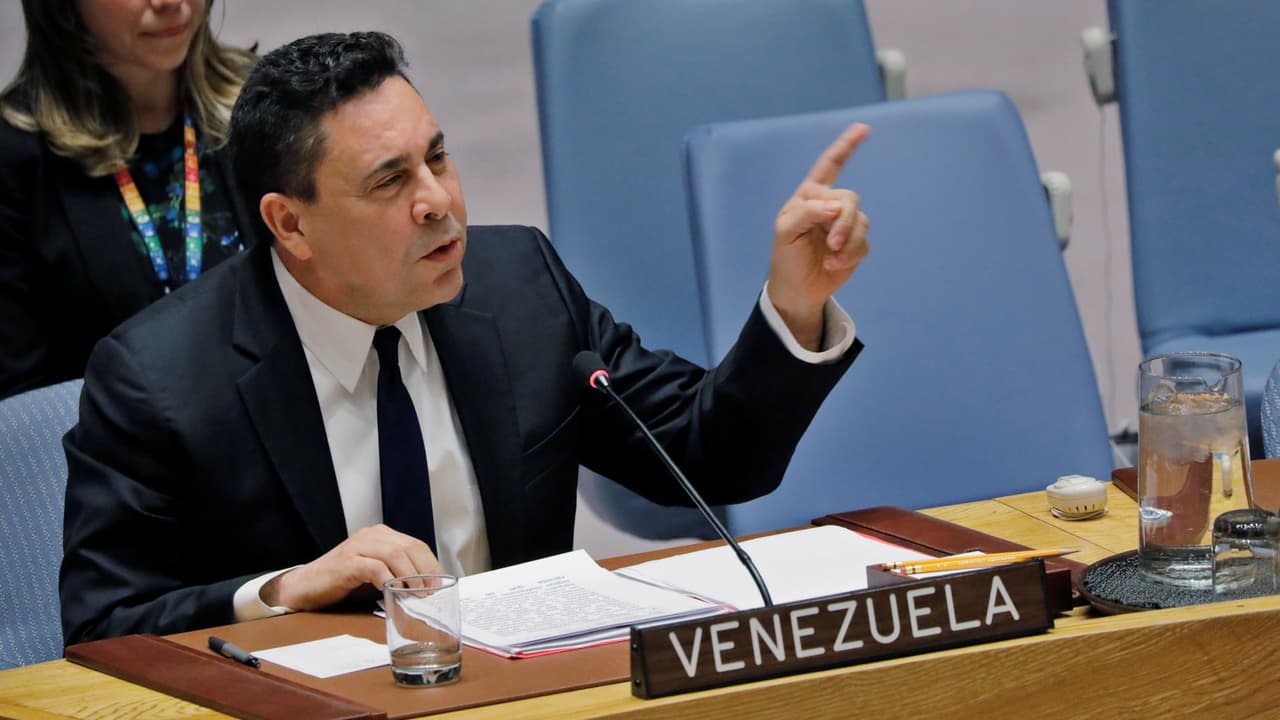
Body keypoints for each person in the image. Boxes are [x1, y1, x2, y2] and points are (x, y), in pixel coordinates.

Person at [59, 31, 871, 644]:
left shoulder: (519, 288)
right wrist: (280, 591)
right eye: (390, 181)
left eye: (438, 158)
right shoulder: (161, 377)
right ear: (290, 224)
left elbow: (711, 456)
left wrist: (794, 306)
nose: (438, 201)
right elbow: (103, 624)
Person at [0, 0, 257, 399]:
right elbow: (21, 405)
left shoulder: (266, 103)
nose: (169, 2)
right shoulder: (14, 157)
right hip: (106, 434)